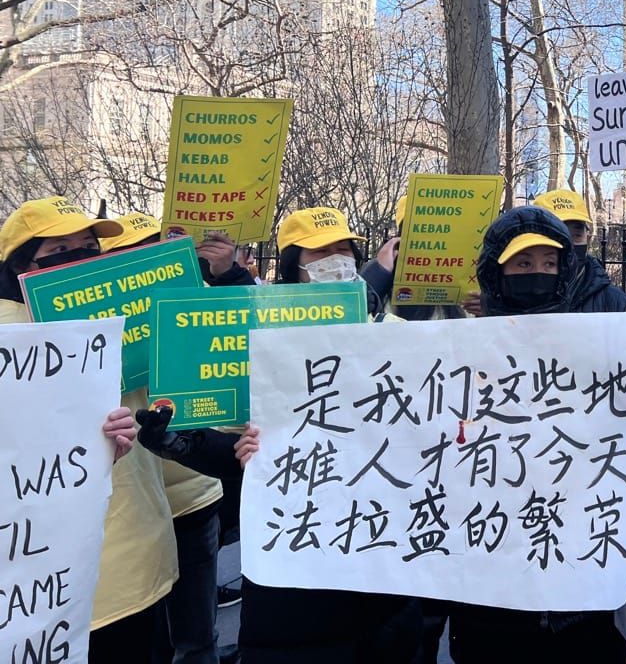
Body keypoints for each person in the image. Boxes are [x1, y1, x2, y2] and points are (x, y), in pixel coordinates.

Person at [134, 206, 423, 664]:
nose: (338, 259)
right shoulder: (256, 337)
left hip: (380, 552)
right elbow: (235, 450)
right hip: (296, 556)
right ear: (294, 265)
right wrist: (178, 441)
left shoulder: (395, 333)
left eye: (345, 249)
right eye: (322, 251)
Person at [441, 204, 626, 663]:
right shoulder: (465, 345)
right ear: (498, 270)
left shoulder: (610, 321)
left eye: (548, 263)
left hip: (584, 586)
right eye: (523, 264)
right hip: (493, 587)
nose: (537, 273)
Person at [0, 197, 171, 663]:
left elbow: (171, 400)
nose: (80, 258)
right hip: (37, 586)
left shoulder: (123, 322)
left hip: (136, 559)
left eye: (89, 247)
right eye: (61, 249)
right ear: (21, 265)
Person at [102, 211, 228, 664]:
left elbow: (238, 337)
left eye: (154, 254)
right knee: (148, 633)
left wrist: (221, 273)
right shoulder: (95, 331)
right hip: (134, 514)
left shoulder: (194, 305)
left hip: (191, 496)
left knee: (196, 631)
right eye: (131, 256)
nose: (143, 267)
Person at [362, 196, 465, 320]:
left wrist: (486, 308)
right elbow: (353, 322)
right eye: (418, 227)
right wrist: (378, 274)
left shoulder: (464, 283)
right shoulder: (383, 279)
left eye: (435, 228)